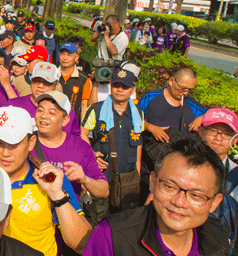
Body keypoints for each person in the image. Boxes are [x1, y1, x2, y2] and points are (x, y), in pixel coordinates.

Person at [0, 106, 92, 255]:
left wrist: (57, 196)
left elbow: (82, 244)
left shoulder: (52, 182)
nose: (5, 153)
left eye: (13, 144)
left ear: (31, 142)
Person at [83, 136, 229, 256]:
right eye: (170, 187)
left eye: (196, 195)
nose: (179, 202)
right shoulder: (113, 236)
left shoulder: (218, 240)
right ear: (153, 182)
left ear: (215, 202)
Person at [81, 70, 143, 219]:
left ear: (133, 90)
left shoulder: (138, 113)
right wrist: (91, 157)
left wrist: (137, 176)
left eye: (125, 86)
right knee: (97, 219)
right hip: (102, 177)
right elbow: (82, 134)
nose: (120, 90)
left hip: (127, 179)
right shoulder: (96, 109)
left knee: (122, 221)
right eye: (116, 85)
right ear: (110, 86)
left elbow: (138, 144)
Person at [34, 91, 109, 204]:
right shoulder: (25, 142)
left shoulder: (81, 148)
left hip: (66, 218)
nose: (43, 116)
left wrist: (85, 179)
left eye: (52, 113)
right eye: (40, 110)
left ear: (65, 121)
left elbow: (104, 191)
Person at [138, 67, 206, 154]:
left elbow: (218, 115)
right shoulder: (150, 97)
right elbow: (133, 118)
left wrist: (203, 117)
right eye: (183, 88)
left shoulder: (192, 105)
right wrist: (151, 128)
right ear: (171, 81)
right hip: (149, 157)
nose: (185, 93)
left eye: (190, 90)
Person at [198, 108, 238, 251]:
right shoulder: (180, 165)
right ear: (200, 131)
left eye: (227, 134)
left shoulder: (236, 175)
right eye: (213, 130)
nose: (219, 138)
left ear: (235, 140)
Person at [7, 61, 81, 137]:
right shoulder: (13, 105)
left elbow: (75, 140)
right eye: (37, 80)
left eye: (47, 82)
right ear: (31, 81)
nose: (40, 86)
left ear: (56, 85)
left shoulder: (66, 111)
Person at [58, 42, 92, 121]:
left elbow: (84, 106)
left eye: (69, 55)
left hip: (74, 123)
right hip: (54, 123)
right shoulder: (52, 75)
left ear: (76, 57)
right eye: (62, 54)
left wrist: (82, 129)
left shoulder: (84, 79)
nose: (65, 58)